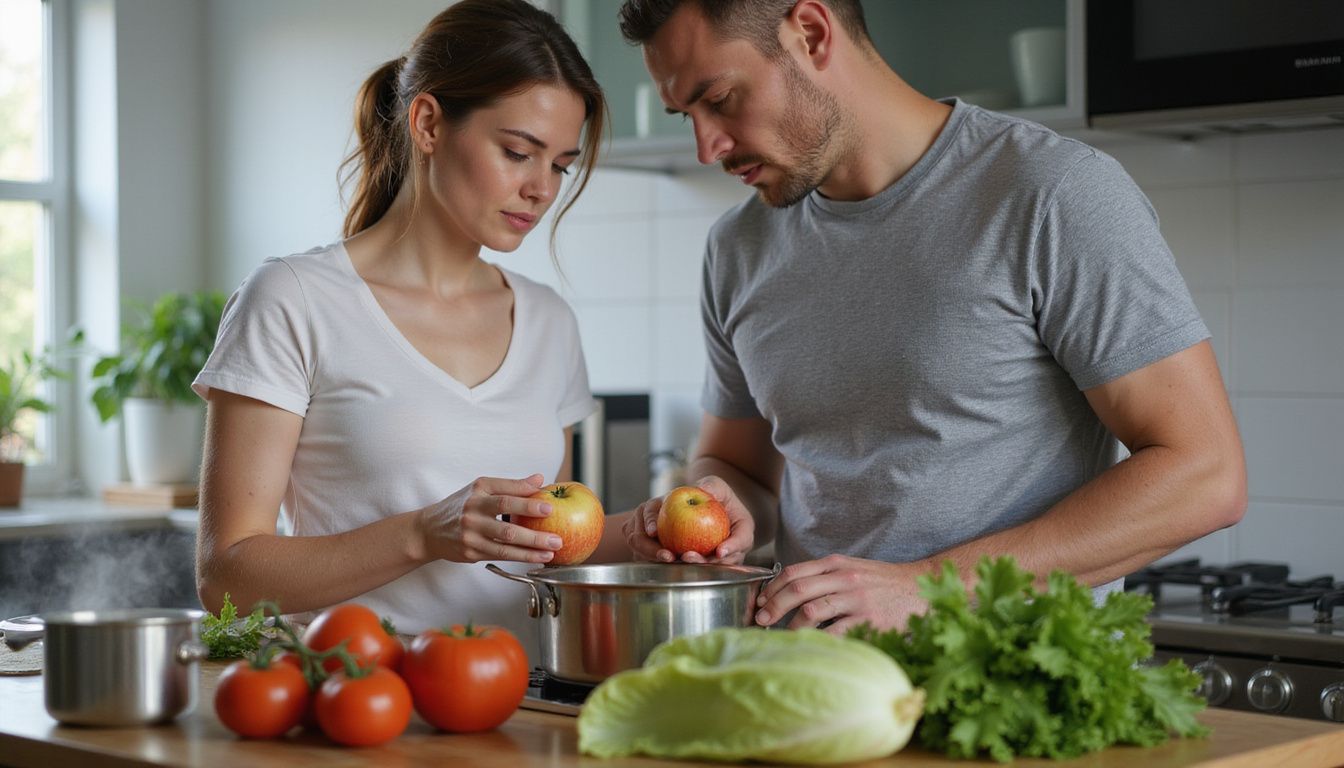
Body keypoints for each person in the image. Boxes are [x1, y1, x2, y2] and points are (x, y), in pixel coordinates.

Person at [616, 0, 1248, 634]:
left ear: (809, 33)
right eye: (685, 115)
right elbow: (738, 468)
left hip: (1020, 699)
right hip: (821, 691)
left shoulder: (1049, 192)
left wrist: (932, 588)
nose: (706, 147)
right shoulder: (739, 247)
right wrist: (716, 506)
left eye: (720, 99)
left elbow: (1204, 475)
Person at [192, 0, 631, 648]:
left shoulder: (548, 322)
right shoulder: (293, 300)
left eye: (560, 165)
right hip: (354, 705)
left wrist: (643, 530)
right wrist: (422, 534)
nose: (542, 187)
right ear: (428, 123)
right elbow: (226, 576)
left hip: (516, 700)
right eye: (518, 152)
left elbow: (537, 546)